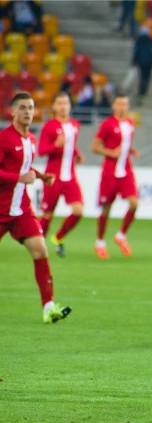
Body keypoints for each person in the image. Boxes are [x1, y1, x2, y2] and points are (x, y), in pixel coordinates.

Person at [0, 92, 71, 323]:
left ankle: (48, 307)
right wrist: (19, 178)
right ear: (13, 111)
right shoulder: (4, 138)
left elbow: (26, 168)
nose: (28, 112)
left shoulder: (30, 139)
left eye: (31, 107)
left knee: (40, 250)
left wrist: (41, 176)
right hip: (1, 209)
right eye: (23, 108)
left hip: (22, 210)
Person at [91, 93, 139, 259]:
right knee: (107, 208)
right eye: (119, 104)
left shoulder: (130, 123)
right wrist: (110, 152)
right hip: (110, 171)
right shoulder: (107, 124)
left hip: (125, 170)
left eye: (125, 104)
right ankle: (100, 242)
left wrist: (130, 150)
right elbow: (95, 146)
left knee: (134, 203)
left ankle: (121, 235)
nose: (123, 107)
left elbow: (125, 143)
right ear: (114, 106)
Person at [37, 92, 85, 258]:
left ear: (70, 105)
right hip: (53, 176)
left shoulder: (75, 125)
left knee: (78, 211)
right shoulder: (49, 126)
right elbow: (41, 151)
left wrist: (77, 153)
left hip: (70, 176)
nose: (63, 106)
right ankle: (38, 245)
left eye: (66, 103)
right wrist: (55, 145)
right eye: (60, 103)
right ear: (54, 106)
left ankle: (58, 237)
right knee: (48, 214)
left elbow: (71, 145)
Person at [130, 26, 152, 104]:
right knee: (147, 77)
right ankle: (143, 92)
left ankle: (141, 92)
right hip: (150, 61)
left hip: (141, 61)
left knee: (142, 77)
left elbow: (135, 51)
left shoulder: (138, 40)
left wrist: (134, 61)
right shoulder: (151, 40)